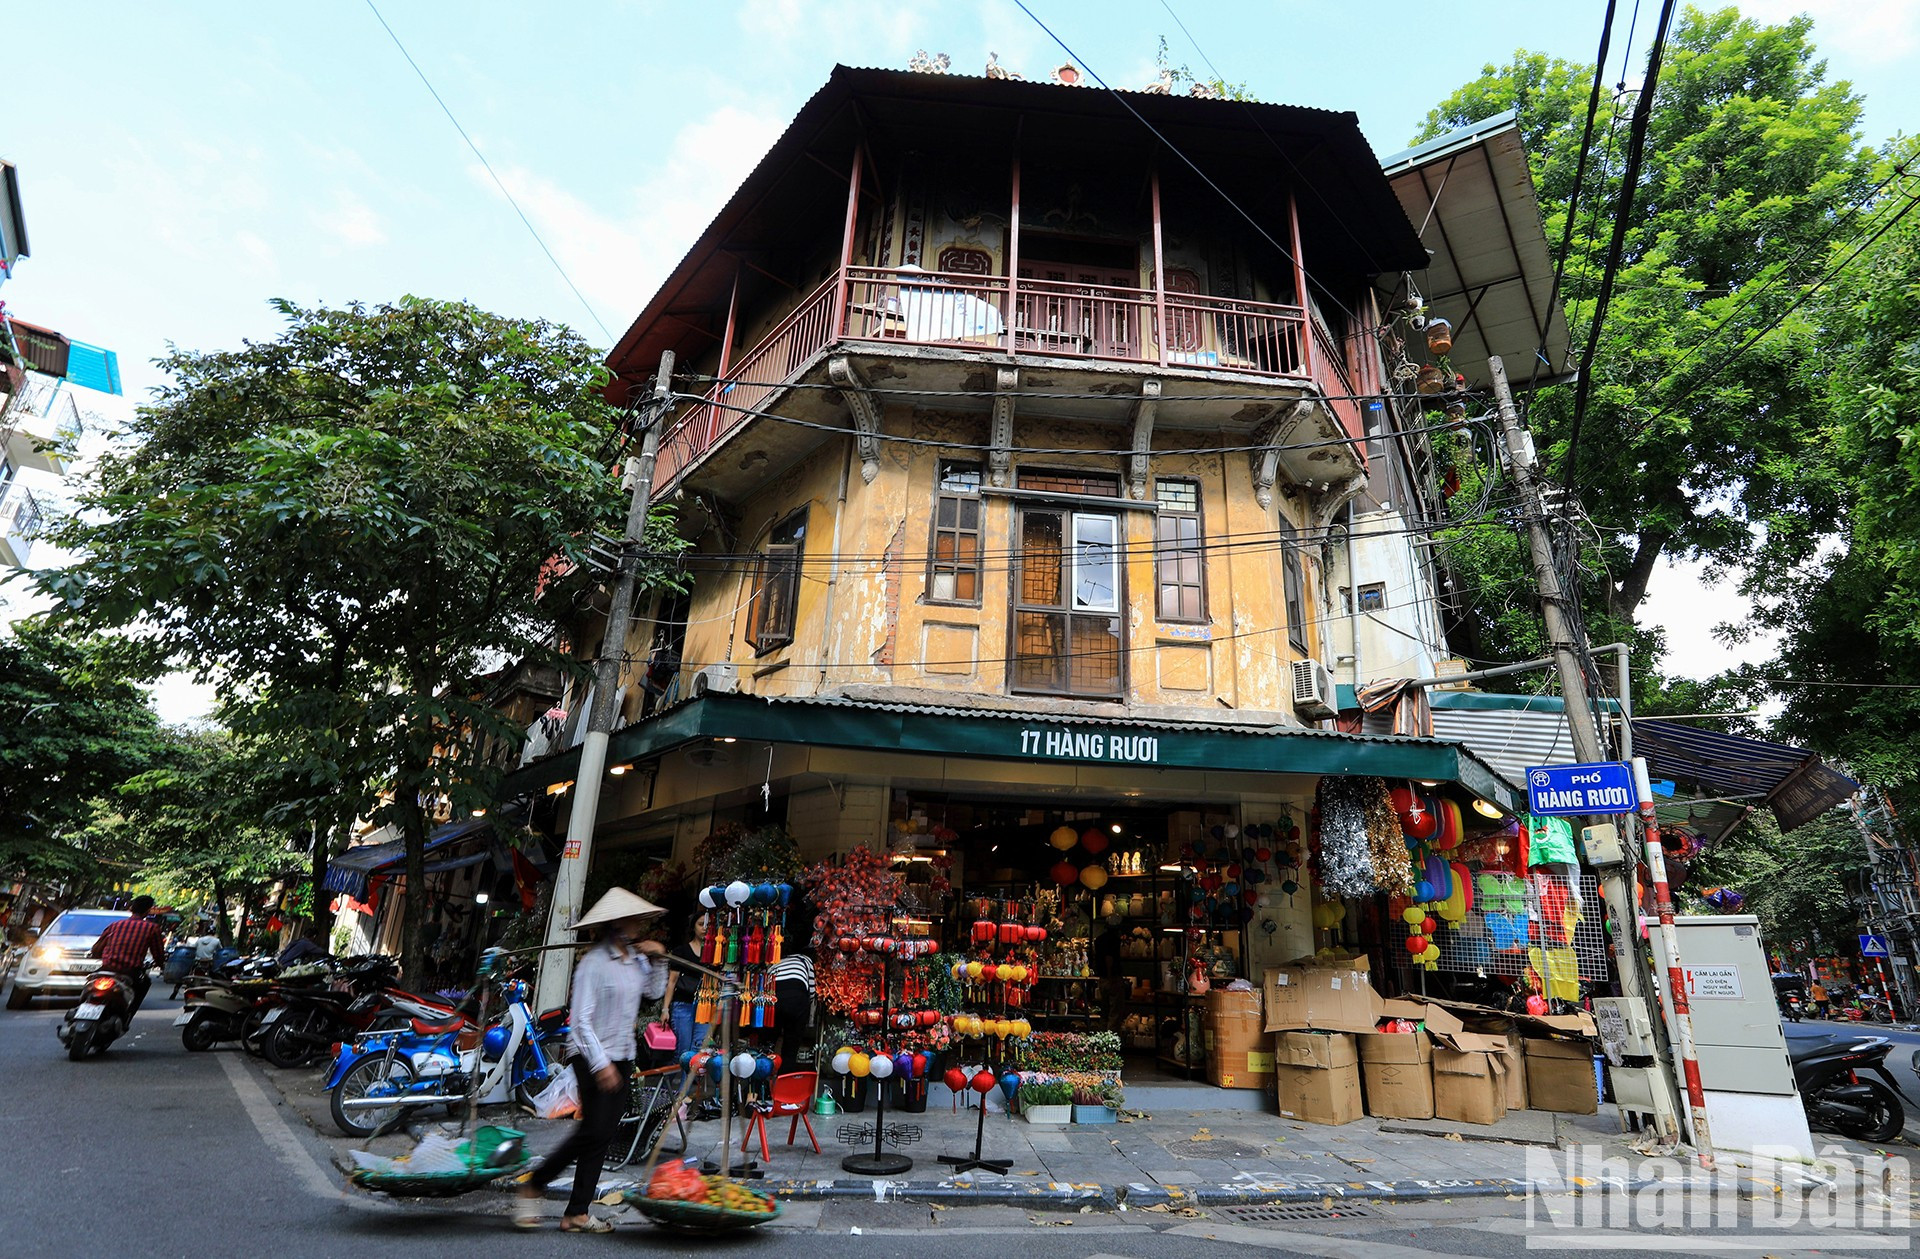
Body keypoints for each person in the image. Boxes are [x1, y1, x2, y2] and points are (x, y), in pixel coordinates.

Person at [518, 887, 667, 1234]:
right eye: (633, 918)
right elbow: (581, 1021)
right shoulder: (594, 963)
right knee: (595, 1130)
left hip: (623, 1054)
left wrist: (659, 957)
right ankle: (535, 1184)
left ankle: (577, 1213)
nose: (638, 924)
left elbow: (654, 992)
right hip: (589, 1052)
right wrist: (601, 1066)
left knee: (600, 1134)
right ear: (616, 922)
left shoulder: (636, 959)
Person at [90, 895, 167, 1013]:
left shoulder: (115, 925)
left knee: (90, 983)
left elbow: (96, 949)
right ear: (148, 910)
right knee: (145, 983)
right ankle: (129, 1014)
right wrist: (161, 965)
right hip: (130, 971)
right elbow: (158, 954)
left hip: (107, 968)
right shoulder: (152, 928)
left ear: (131, 908)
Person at [769, 947, 815, 1070]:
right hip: (798, 998)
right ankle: (785, 1077)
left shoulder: (773, 962)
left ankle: (764, 1075)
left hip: (775, 998)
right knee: (791, 1044)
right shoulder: (805, 960)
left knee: (769, 1041)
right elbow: (812, 991)